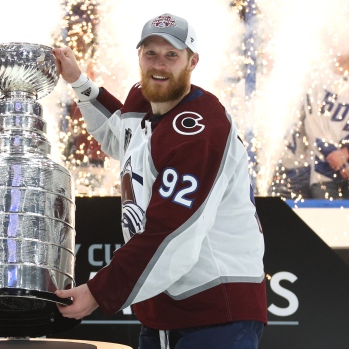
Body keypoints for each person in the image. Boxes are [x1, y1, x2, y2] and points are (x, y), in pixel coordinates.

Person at [53, 13, 267, 348]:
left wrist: (97, 292)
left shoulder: (202, 129)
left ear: (192, 62)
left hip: (217, 310)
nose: (160, 64)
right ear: (139, 56)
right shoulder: (143, 99)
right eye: (150, 53)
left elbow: (171, 230)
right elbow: (120, 134)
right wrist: (79, 81)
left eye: (172, 55)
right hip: (165, 308)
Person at [303, 51, 349, 199]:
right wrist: (332, 153)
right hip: (323, 172)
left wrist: (345, 153)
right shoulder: (316, 82)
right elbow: (311, 124)